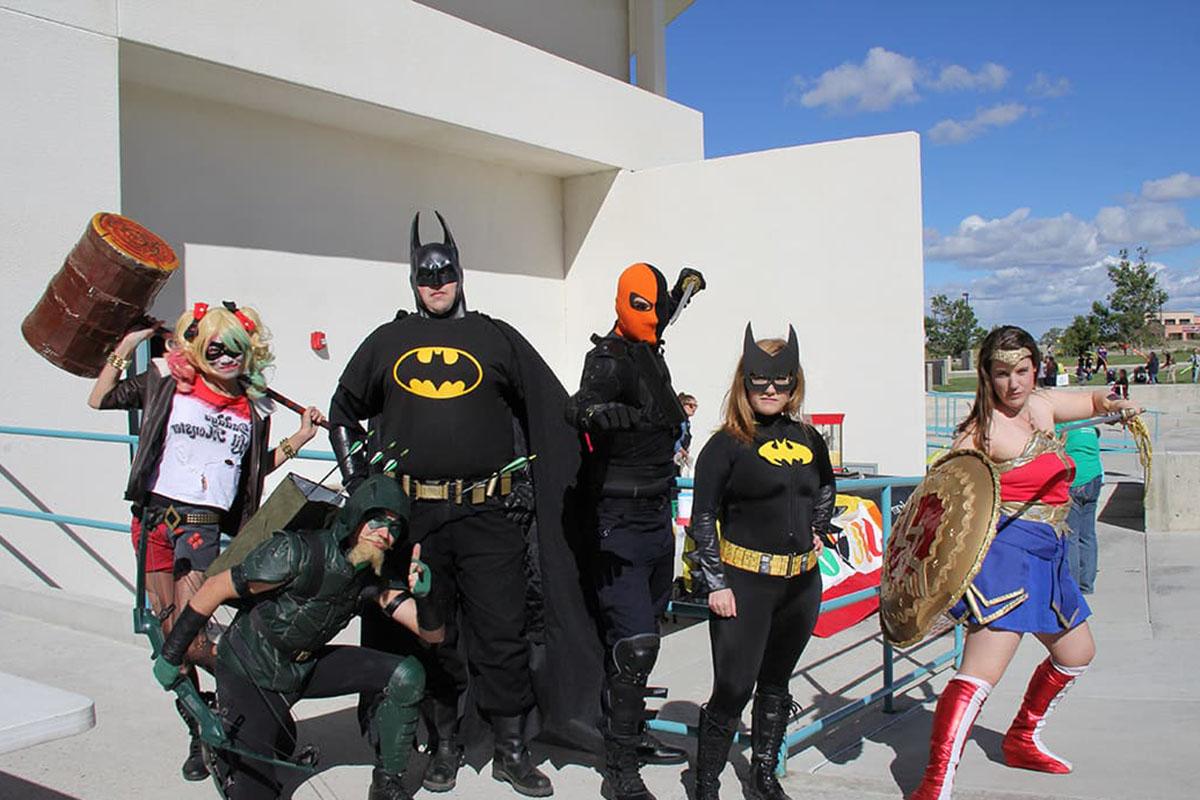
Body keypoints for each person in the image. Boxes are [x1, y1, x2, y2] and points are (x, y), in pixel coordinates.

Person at [328, 212, 595, 797]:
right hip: (417, 516)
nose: (436, 282)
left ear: (459, 272)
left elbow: (552, 408)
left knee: (502, 630)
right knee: (433, 631)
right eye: (425, 275)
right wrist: (362, 490)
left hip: (488, 513)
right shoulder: (388, 341)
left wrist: (605, 428)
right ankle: (444, 743)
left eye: (444, 271)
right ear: (412, 281)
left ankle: (511, 748)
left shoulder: (494, 337)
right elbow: (344, 409)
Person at [89, 302, 323, 781]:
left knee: (190, 639)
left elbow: (252, 474)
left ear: (249, 352)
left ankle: (253, 702)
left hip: (200, 524)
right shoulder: (166, 383)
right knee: (165, 633)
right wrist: (130, 344)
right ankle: (200, 730)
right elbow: (100, 400)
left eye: (236, 349)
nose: (225, 358)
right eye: (215, 348)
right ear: (198, 348)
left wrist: (299, 436)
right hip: (153, 518)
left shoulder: (254, 409)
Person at [909, 325, 1139, 800]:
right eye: (1001, 373)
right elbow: (941, 502)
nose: (1013, 384)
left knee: (1077, 654)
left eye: (1022, 370)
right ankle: (934, 785)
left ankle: (1021, 738)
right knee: (978, 675)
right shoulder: (979, 431)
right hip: (1006, 558)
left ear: (1035, 367)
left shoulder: (1043, 405)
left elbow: (1094, 402)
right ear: (986, 376)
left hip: (1049, 554)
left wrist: (1115, 405)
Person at [152, 475, 444, 800]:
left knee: (407, 675)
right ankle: (222, 740)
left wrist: (427, 598)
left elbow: (431, 634)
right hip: (251, 671)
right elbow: (214, 588)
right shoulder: (296, 552)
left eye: (394, 528)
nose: (384, 534)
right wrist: (172, 653)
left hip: (302, 667)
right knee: (257, 793)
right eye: (376, 520)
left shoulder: (371, 575)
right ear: (356, 515)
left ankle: (387, 784)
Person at [565, 262, 704, 800]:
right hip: (616, 521)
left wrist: (682, 293)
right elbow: (580, 404)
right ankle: (620, 772)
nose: (654, 316)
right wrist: (595, 413)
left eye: (657, 307)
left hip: (655, 520)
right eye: (643, 306)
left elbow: (661, 316)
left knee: (642, 635)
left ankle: (626, 733)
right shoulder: (609, 358)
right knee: (635, 645)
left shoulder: (651, 351)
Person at [688, 325, 838, 800]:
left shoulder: (810, 438)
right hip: (743, 584)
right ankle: (706, 782)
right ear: (744, 382)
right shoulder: (726, 444)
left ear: (795, 382)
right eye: (760, 380)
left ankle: (763, 777)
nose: (771, 389)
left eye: (782, 380)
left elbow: (827, 486)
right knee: (733, 687)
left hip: (799, 586)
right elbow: (704, 515)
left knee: (776, 683)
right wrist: (715, 581)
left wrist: (818, 527)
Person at [1061, 425, 1102, 594]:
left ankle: (1072, 586)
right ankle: (1087, 583)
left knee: (1071, 536)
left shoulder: (1064, 426)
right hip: (1094, 478)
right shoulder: (1090, 426)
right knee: (1088, 534)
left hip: (1075, 482)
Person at [674, 392, 698, 474]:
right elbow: (673, 439)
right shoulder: (679, 421)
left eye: (696, 406)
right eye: (691, 405)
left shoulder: (686, 423)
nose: (694, 409)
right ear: (682, 405)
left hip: (679, 460)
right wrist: (682, 451)